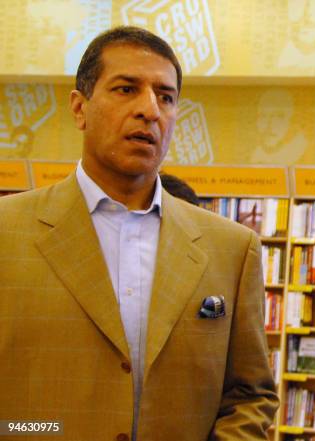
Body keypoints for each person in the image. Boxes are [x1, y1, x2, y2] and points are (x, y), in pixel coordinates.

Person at [0, 26, 278, 441]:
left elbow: (250, 394)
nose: (149, 109)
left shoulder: (232, 249)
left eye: (165, 96)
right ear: (80, 108)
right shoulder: (8, 231)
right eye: (127, 89)